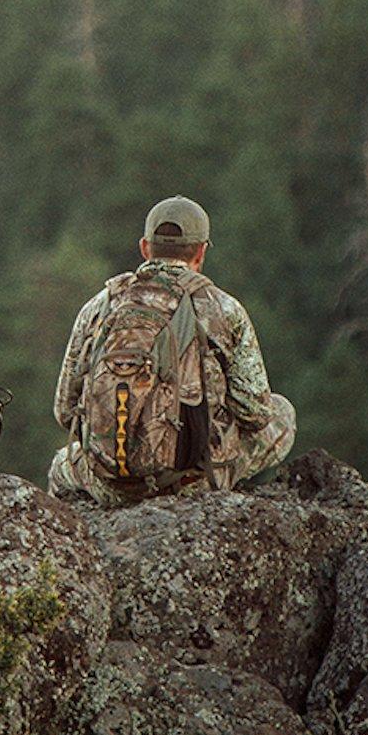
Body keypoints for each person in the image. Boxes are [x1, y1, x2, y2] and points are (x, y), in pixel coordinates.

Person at [47, 195, 295, 506]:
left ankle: (72, 540)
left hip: (109, 483)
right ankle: (240, 506)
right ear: (201, 252)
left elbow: (65, 411)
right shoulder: (224, 309)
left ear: (145, 247)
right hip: (194, 484)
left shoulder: (100, 306)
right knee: (283, 415)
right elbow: (255, 413)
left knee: (61, 464)